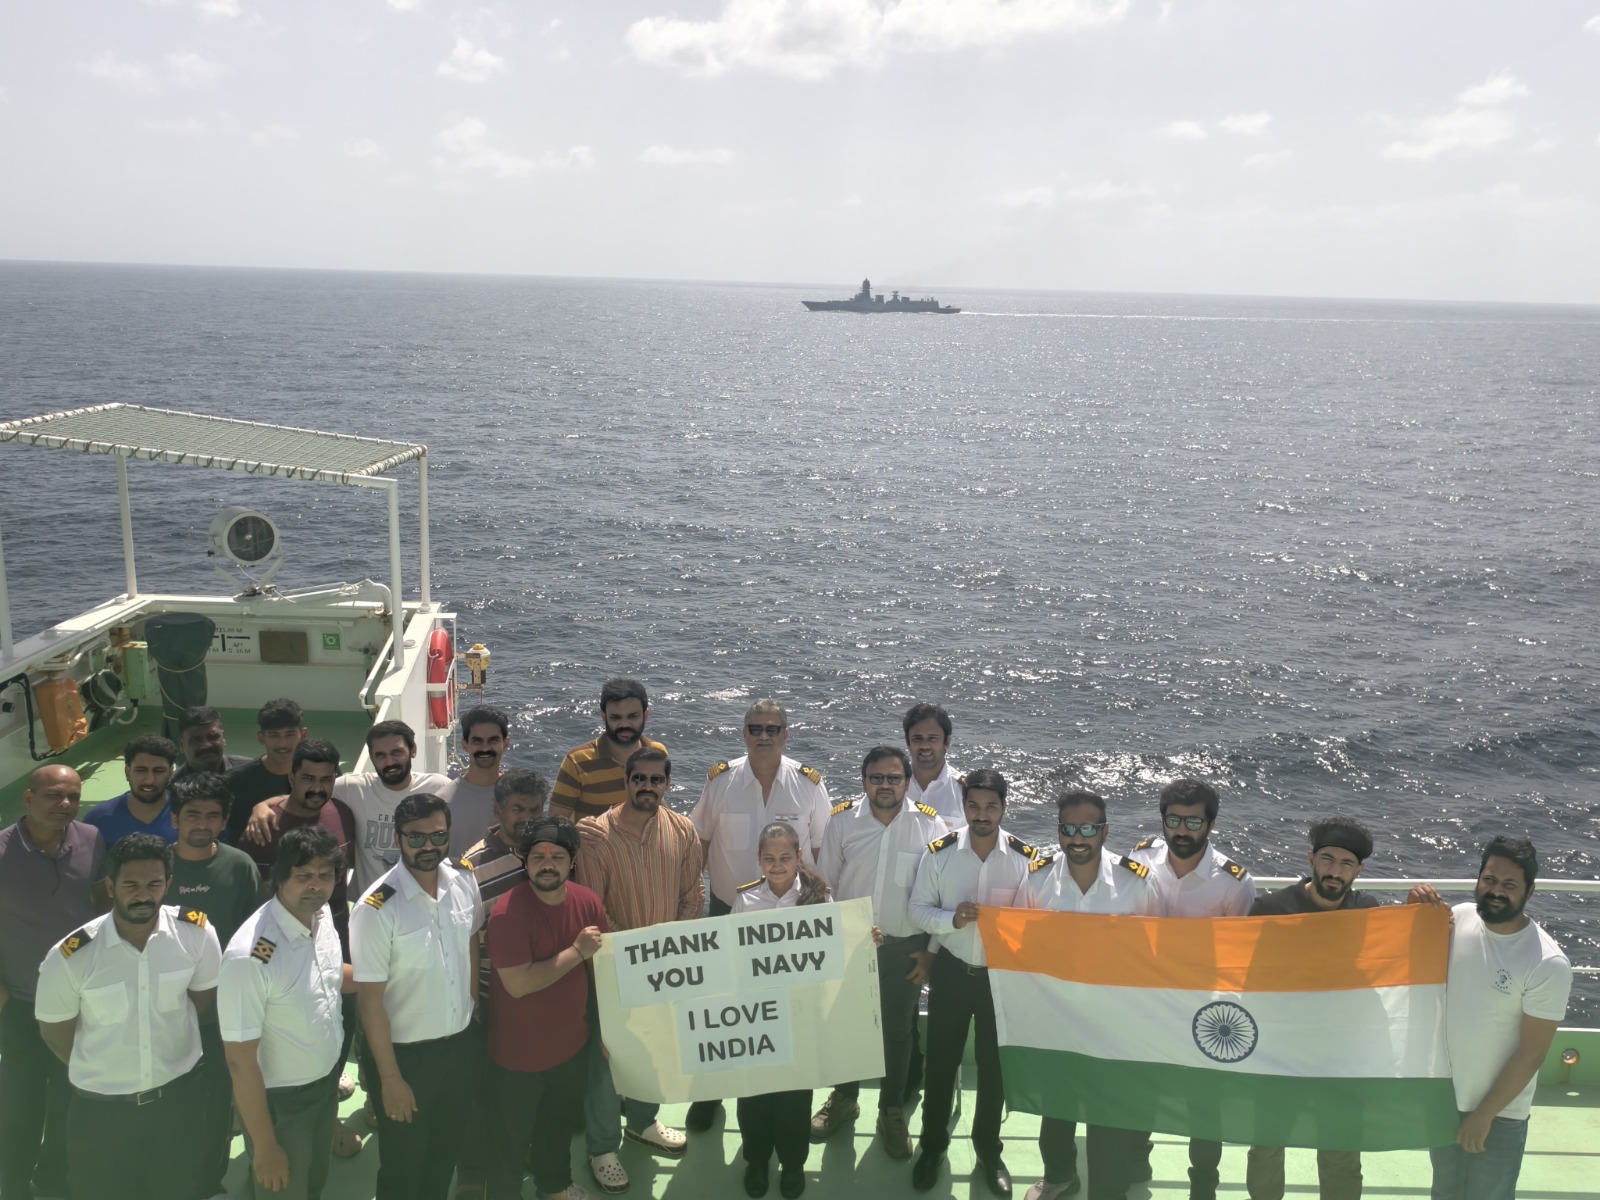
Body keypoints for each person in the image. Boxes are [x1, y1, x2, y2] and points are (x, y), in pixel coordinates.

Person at [34, 833, 222, 1200]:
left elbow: (201, 1001)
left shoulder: (196, 934)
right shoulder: (71, 957)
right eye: (131, 884)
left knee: (180, 1188)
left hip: (178, 1102)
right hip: (102, 1113)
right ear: (110, 886)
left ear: (168, 883)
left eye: (154, 884)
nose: (143, 894)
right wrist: (109, 1069)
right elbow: (55, 1033)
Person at [687, 698, 833, 1133]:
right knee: (720, 1010)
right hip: (727, 911)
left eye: (773, 729)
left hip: (791, 917)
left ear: (786, 734)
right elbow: (699, 842)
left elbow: (822, 849)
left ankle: (785, 1092)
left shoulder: (808, 785)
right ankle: (709, 1095)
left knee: (788, 1011)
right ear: (744, 733)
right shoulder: (721, 783)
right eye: (756, 728)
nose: (764, 736)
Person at [908, 769, 1046, 1198]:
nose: (982, 815)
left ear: (1004, 808)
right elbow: (917, 910)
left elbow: (1038, 923)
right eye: (973, 806)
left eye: (991, 806)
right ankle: (932, 1147)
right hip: (952, 971)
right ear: (964, 807)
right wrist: (951, 918)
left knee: (993, 1070)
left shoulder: (1028, 859)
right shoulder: (939, 854)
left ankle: (989, 1151)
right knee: (941, 1064)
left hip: (999, 980)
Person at [1019, 791, 1162, 1200]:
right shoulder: (1036, 877)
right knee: (1057, 1110)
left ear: (1104, 831)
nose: (1077, 839)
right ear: (1059, 831)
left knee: (1110, 1115)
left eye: (1087, 829)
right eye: (1068, 829)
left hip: (1116, 1022)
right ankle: (1061, 1176)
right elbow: (1020, 945)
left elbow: (1156, 950)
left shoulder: (1137, 882)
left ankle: (1110, 1187)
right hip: (1056, 1017)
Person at [574, 747, 700, 1192]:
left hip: (666, 968)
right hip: (614, 968)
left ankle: (643, 1121)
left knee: (654, 1048)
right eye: (639, 779)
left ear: (667, 783)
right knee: (608, 1058)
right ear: (626, 781)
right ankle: (602, 1145)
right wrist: (632, 955)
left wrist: (666, 952)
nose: (647, 787)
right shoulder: (595, 836)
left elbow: (692, 897)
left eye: (656, 780)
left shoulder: (684, 830)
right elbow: (594, 908)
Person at [812, 745, 947, 1157]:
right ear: (863, 780)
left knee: (897, 1033)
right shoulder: (840, 822)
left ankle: (891, 1111)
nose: (884, 785)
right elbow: (823, 888)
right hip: (850, 946)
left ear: (907, 782)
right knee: (847, 1025)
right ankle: (845, 1099)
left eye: (893, 778)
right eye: (876, 777)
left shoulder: (930, 826)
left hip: (906, 948)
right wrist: (845, 929)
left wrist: (932, 953)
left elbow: (943, 895)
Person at [1419, 838, 1572, 1200]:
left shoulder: (1546, 963)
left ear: (1529, 892)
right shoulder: (1461, 917)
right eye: (1490, 880)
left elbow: (1531, 1054)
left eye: (1509, 885)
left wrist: (1484, 1115)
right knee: (1445, 1192)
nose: (1496, 891)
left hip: (1499, 1114)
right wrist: (1418, 909)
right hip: (1444, 1099)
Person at [1125, 778, 1256, 1198]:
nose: (1181, 831)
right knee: (1142, 1087)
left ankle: (1203, 1182)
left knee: (1205, 1101)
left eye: (1192, 822)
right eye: (1173, 821)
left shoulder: (1234, 882)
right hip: (1147, 999)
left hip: (1205, 1005)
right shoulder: (1139, 859)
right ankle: (1135, 1159)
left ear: (1210, 824)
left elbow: (1239, 957)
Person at [352, 793, 484, 1200]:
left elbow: (473, 939)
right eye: (416, 838)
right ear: (398, 838)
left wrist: (472, 1005)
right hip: (404, 1058)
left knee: (444, 1152)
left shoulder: (464, 880)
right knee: (402, 1166)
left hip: (458, 1046)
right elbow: (370, 1001)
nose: (428, 847)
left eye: (437, 836)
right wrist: (390, 1079)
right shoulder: (376, 908)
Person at [1245, 817, 1382, 1200]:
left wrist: (1430, 915)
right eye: (1327, 859)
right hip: (1279, 1053)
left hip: (1340, 1055)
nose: (1334, 871)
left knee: (1341, 1150)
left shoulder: (1368, 914)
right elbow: (1246, 980)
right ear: (1311, 859)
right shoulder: (1270, 910)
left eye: (1345, 864)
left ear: (1359, 870)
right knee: (1267, 1146)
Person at [219, 826, 353, 1200]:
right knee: (282, 1187)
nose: (316, 885)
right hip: (283, 1102)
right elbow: (240, 1062)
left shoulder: (321, 914)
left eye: (325, 876)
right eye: (303, 876)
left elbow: (329, 975)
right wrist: (264, 1146)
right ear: (279, 878)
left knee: (312, 1182)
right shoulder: (251, 957)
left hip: (325, 1084)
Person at [485, 817, 607, 1200]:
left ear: (573, 861)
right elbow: (518, 984)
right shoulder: (507, 914)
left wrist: (606, 1032)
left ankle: (553, 1187)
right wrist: (575, 951)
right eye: (537, 856)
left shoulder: (588, 902)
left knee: (557, 1127)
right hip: (517, 1058)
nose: (547, 863)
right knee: (510, 1139)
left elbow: (600, 975)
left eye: (557, 855)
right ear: (525, 861)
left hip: (572, 1047)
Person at [0, 766, 107, 1200]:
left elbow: (100, 904)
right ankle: (12, 1182)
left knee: (71, 1099)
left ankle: (54, 1178)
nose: (64, 804)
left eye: (73, 796)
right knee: (21, 1104)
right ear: (28, 800)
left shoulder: (93, 840)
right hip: (21, 1003)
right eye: (53, 796)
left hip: (79, 1003)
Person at [169, 772, 269, 1200]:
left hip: (224, 1011)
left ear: (224, 820)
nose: (202, 824)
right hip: (165, 1010)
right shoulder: (156, 867)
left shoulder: (238, 864)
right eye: (193, 815)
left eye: (213, 816)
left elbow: (262, 933)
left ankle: (209, 1184)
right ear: (174, 819)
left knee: (215, 1103)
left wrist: (259, 980)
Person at [734, 822, 832, 1200]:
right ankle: (757, 1160)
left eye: (785, 858)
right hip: (757, 1011)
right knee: (754, 1091)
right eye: (769, 859)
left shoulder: (819, 896)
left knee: (795, 1094)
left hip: (800, 1012)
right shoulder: (745, 899)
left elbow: (834, 943)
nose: (777, 866)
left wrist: (863, 937)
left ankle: (792, 1163)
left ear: (798, 858)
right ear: (759, 860)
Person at [246, 720, 445, 896]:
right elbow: (311, 792)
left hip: (422, 900)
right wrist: (263, 806)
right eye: (380, 755)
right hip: (368, 908)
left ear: (413, 750)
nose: (389, 762)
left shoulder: (438, 787)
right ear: (372, 757)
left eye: (397, 752)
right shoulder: (353, 788)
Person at [238, 740, 357, 950]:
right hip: (279, 946)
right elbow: (251, 898)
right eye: (308, 779)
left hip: (337, 941)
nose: (317, 788)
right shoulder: (263, 828)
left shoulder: (344, 813)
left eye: (326, 779)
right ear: (292, 778)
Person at [549, 678, 667, 822]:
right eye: (616, 717)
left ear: (646, 715)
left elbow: (657, 803)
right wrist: (578, 833)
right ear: (604, 717)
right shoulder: (577, 760)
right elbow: (555, 822)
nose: (624, 724)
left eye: (632, 716)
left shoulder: (656, 752)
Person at [225, 697, 309, 842]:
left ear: (302, 735)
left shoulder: (319, 774)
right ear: (261, 738)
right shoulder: (236, 780)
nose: (282, 743)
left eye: (289, 735)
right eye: (274, 735)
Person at [82, 733, 180, 845]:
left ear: (170, 773)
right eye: (141, 770)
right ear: (127, 772)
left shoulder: (190, 815)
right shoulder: (97, 820)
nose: (149, 780)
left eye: (158, 771)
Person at [442, 705, 512, 860]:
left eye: (493, 740)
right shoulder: (442, 802)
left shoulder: (519, 798)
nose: (485, 748)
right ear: (465, 745)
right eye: (477, 741)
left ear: (505, 743)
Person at [902, 703, 965, 829]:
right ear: (908, 742)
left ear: (947, 742)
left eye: (932, 738)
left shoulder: (964, 791)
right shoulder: (890, 786)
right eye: (917, 739)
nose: (924, 746)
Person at [173, 705, 253, 781]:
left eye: (213, 737)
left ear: (223, 738)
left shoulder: (252, 771)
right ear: (182, 745)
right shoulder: (169, 785)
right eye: (196, 740)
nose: (206, 745)